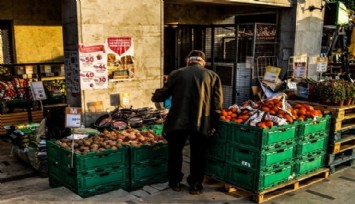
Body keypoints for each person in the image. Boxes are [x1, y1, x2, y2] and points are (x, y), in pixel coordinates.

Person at [151, 50, 223, 195]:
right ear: (203, 62)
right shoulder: (212, 76)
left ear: (188, 60)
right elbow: (217, 104)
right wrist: (214, 124)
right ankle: (195, 185)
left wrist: (155, 95)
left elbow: (162, 95)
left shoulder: (176, 74)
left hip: (177, 120)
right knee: (198, 153)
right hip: (201, 121)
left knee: (175, 152)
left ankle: (175, 182)